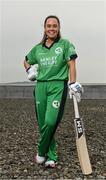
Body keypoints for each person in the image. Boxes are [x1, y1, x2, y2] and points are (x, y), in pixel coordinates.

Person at [24, 15, 83, 168]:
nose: (51, 28)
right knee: (42, 123)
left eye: (54, 26)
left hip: (58, 86)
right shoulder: (38, 48)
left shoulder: (65, 44)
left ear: (58, 28)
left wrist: (73, 82)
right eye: (49, 26)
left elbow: (71, 64)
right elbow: (26, 60)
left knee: (51, 122)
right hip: (41, 87)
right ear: (45, 28)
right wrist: (30, 70)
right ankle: (51, 156)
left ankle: (41, 150)